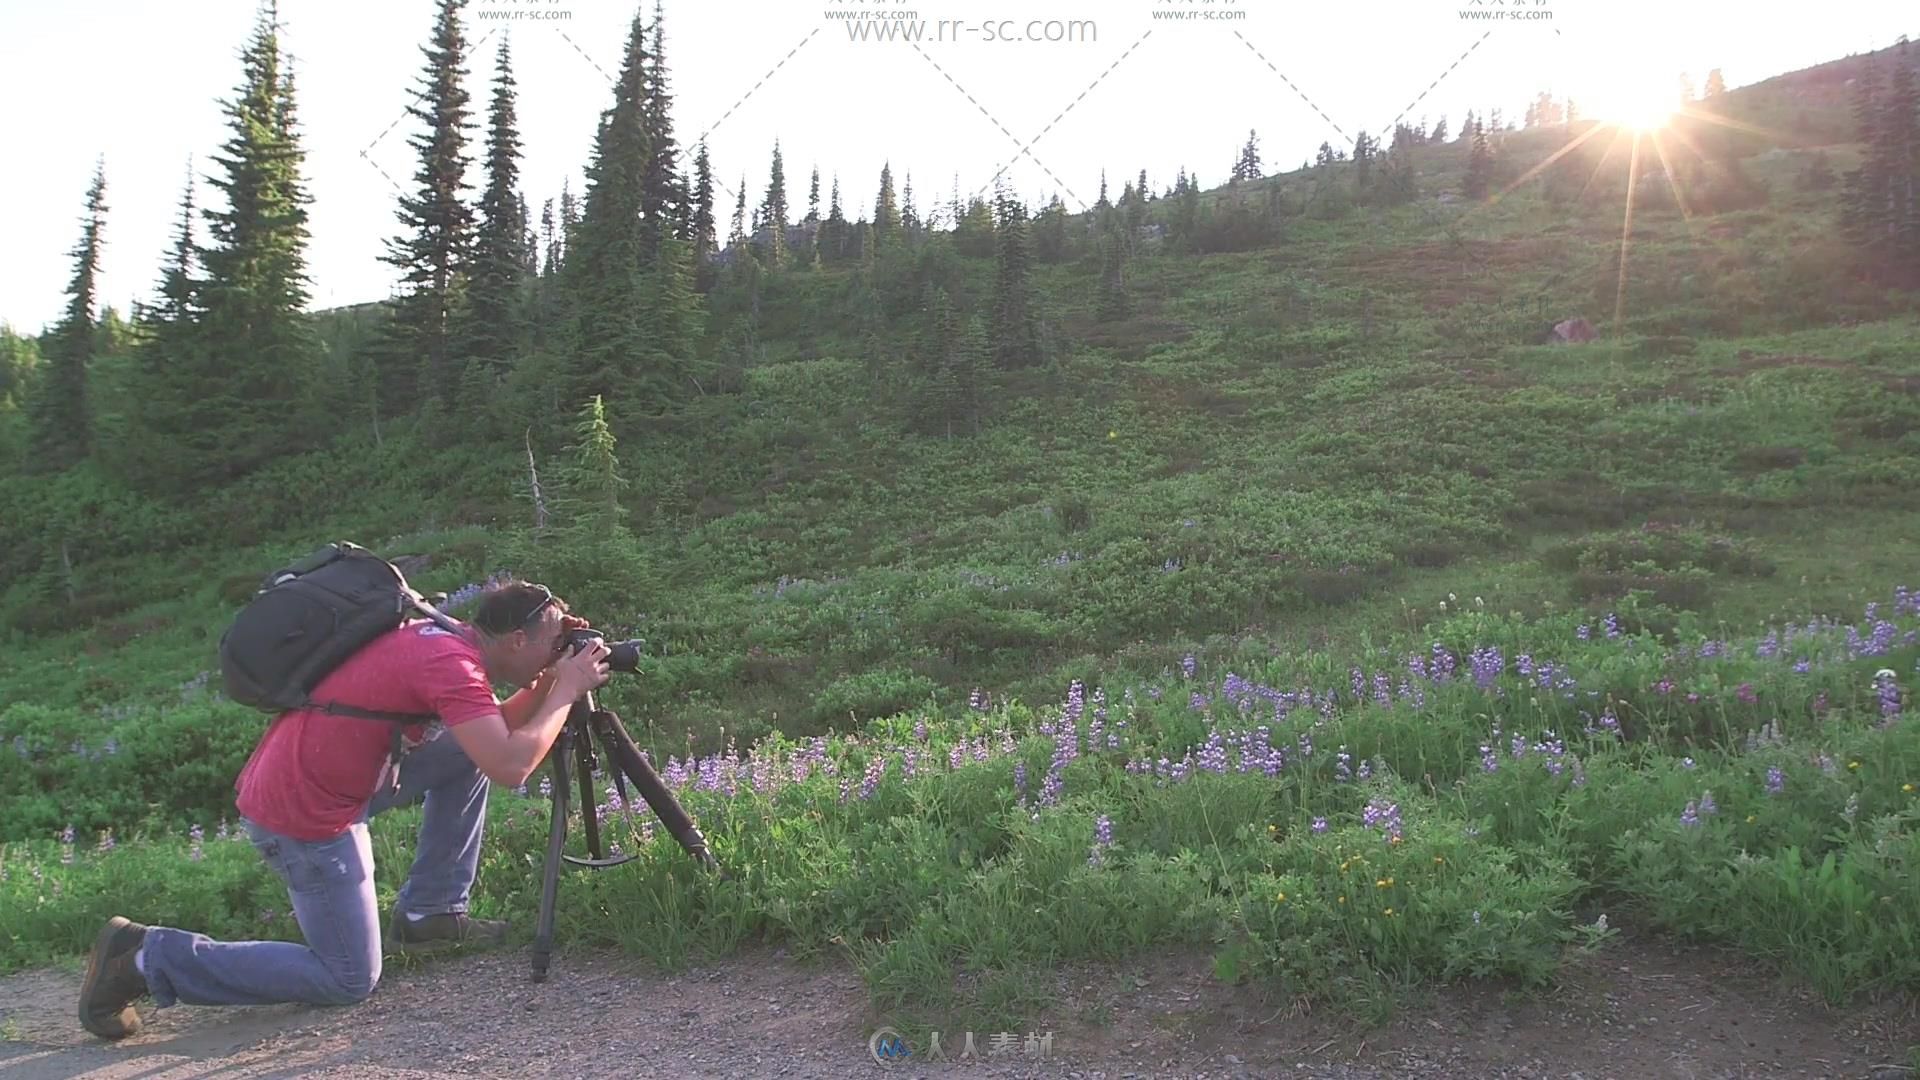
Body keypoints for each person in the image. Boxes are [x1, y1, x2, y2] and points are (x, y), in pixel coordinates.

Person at [77, 580, 612, 1040]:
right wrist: (564, 692)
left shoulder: (444, 640)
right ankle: (145, 957)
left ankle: (431, 914)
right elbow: (511, 766)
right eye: (550, 644)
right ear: (517, 639)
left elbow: (494, 734)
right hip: (304, 814)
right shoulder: (451, 666)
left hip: (327, 780)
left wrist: (550, 681)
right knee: (347, 978)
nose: (553, 653)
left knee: (465, 755)